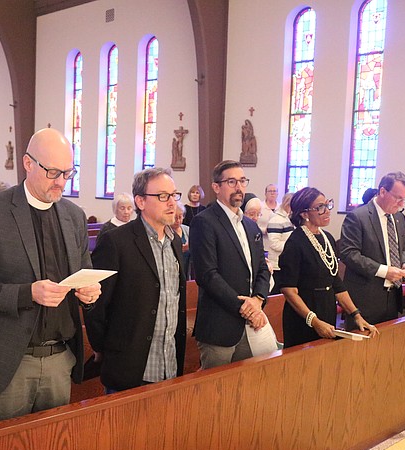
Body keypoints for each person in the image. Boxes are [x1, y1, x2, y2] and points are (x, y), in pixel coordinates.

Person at [0, 128, 101, 424]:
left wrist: (90, 294)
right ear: (28, 164)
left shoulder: (73, 216)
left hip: (61, 359)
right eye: (53, 172)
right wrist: (27, 293)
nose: (61, 183)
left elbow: (84, 276)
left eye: (68, 173)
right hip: (9, 362)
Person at [86, 168, 186, 392]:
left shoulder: (175, 243)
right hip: (129, 368)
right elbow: (96, 304)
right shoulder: (117, 242)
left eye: (174, 195)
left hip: (169, 366)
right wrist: (105, 349)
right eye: (162, 196)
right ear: (140, 201)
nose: (172, 203)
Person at [190, 160, 270, 370]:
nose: (239, 187)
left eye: (242, 181)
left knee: (243, 388)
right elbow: (207, 274)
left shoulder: (250, 226)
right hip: (219, 325)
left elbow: (262, 267)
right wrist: (245, 307)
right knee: (213, 392)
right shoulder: (204, 222)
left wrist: (259, 299)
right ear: (216, 187)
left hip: (249, 324)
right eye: (231, 181)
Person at [278, 187, 378, 347]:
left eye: (327, 204)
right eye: (320, 207)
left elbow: (336, 283)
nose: (327, 211)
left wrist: (356, 315)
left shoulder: (328, 238)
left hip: (326, 309)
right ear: (304, 214)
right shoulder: (295, 243)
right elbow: (289, 290)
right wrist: (315, 321)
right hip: (303, 317)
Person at [339, 171, 405, 325]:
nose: (401, 204)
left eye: (404, 199)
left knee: (387, 345)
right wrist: (384, 271)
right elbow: (349, 254)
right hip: (365, 296)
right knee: (362, 348)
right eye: (398, 198)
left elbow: (401, 248)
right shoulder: (358, 217)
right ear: (382, 191)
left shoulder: (399, 217)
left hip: (392, 295)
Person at [266, 192, 294, 293]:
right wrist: (293, 247)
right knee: (276, 296)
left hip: (287, 263)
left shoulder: (289, 219)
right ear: (288, 204)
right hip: (277, 265)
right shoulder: (276, 219)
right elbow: (274, 244)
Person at [172, 202, 191, 279]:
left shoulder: (187, 229)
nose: (178, 220)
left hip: (187, 268)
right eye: (175, 217)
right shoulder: (165, 231)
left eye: (180, 217)